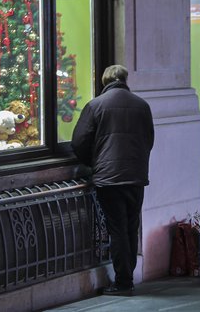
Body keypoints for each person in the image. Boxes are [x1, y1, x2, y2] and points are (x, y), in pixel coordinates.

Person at [71, 65, 154, 296]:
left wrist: (94, 162)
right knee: (130, 227)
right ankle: (129, 276)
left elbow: (78, 142)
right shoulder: (142, 106)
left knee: (117, 230)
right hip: (136, 176)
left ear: (104, 81)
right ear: (125, 80)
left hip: (108, 179)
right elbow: (149, 140)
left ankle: (123, 281)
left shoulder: (96, 106)